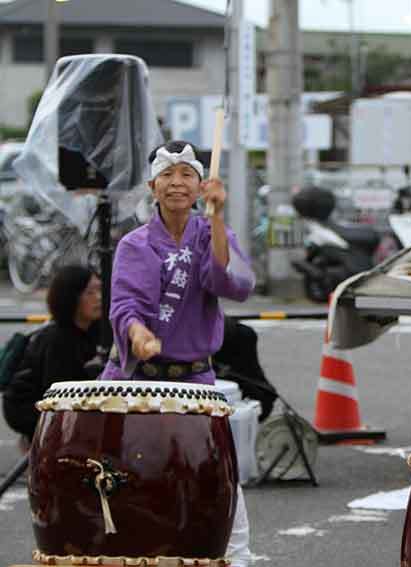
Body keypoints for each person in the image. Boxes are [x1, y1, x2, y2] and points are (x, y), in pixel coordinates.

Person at [99, 140, 255, 567]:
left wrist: (219, 216)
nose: (177, 183)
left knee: (214, 474)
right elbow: (125, 305)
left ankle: (235, 558)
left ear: (201, 185)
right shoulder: (135, 243)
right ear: (153, 186)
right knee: (121, 475)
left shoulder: (211, 233)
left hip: (192, 380)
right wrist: (137, 332)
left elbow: (231, 283)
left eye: (187, 174)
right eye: (167, 175)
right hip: (138, 378)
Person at [2, 265, 101, 444]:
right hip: (27, 407)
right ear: (72, 297)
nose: (98, 298)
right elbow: (58, 393)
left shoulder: (93, 330)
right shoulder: (58, 339)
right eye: (90, 293)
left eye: (99, 290)